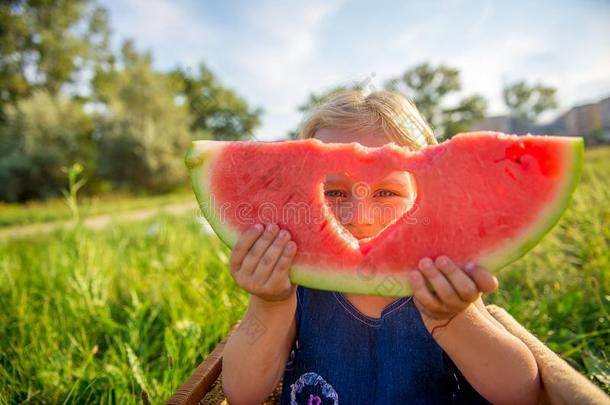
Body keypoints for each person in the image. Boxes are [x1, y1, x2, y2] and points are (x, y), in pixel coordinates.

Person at [221, 89, 541, 405]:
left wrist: (455, 320)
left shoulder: (442, 282)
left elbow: (519, 392)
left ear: (427, 194)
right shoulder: (295, 284)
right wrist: (270, 304)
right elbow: (243, 393)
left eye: (386, 193)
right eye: (333, 193)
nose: (359, 217)